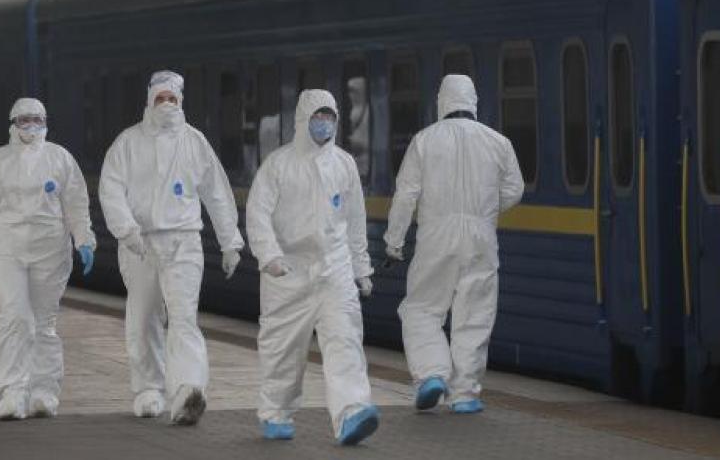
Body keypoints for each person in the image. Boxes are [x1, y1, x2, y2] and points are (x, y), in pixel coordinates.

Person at [98, 70, 245, 426]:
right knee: (144, 315)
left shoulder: (194, 142)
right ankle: (148, 388)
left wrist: (231, 241)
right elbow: (111, 189)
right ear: (149, 101)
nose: (166, 104)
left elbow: (217, 193)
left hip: (184, 241)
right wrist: (127, 230)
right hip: (140, 244)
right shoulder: (128, 143)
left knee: (184, 317)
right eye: (160, 98)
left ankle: (187, 388)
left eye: (172, 99)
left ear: (181, 101)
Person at [383, 74, 524, 415]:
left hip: (435, 235)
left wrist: (394, 242)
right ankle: (465, 394)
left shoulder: (424, 140)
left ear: (441, 102)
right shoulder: (498, 142)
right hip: (481, 236)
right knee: (474, 314)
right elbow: (514, 190)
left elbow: (406, 195)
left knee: (421, 309)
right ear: (473, 101)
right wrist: (485, 212)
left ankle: (432, 374)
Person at [246, 89, 379, 445]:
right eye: (318, 117)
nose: (325, 123)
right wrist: (269, 256)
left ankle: (352, 411)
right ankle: (276, 411)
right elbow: (257, 214)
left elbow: (354, 221)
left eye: (330, 117)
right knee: (284, 350)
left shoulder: (344, 164)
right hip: (287, 273)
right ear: (304, 120)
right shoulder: (278, 165)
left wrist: (360, 268)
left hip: (333, 270)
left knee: (345, 340)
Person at [0, 97, 96, 421]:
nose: (30, 125)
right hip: (6, 250)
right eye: (23, 120)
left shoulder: (60, 159)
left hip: (51, 251)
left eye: (36, 119)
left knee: (44, 324)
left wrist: (84, 240)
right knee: (16, 317)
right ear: (12, 123)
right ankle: (13, 390)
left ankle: (44, 391)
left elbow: (76, 203)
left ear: (46, 121)